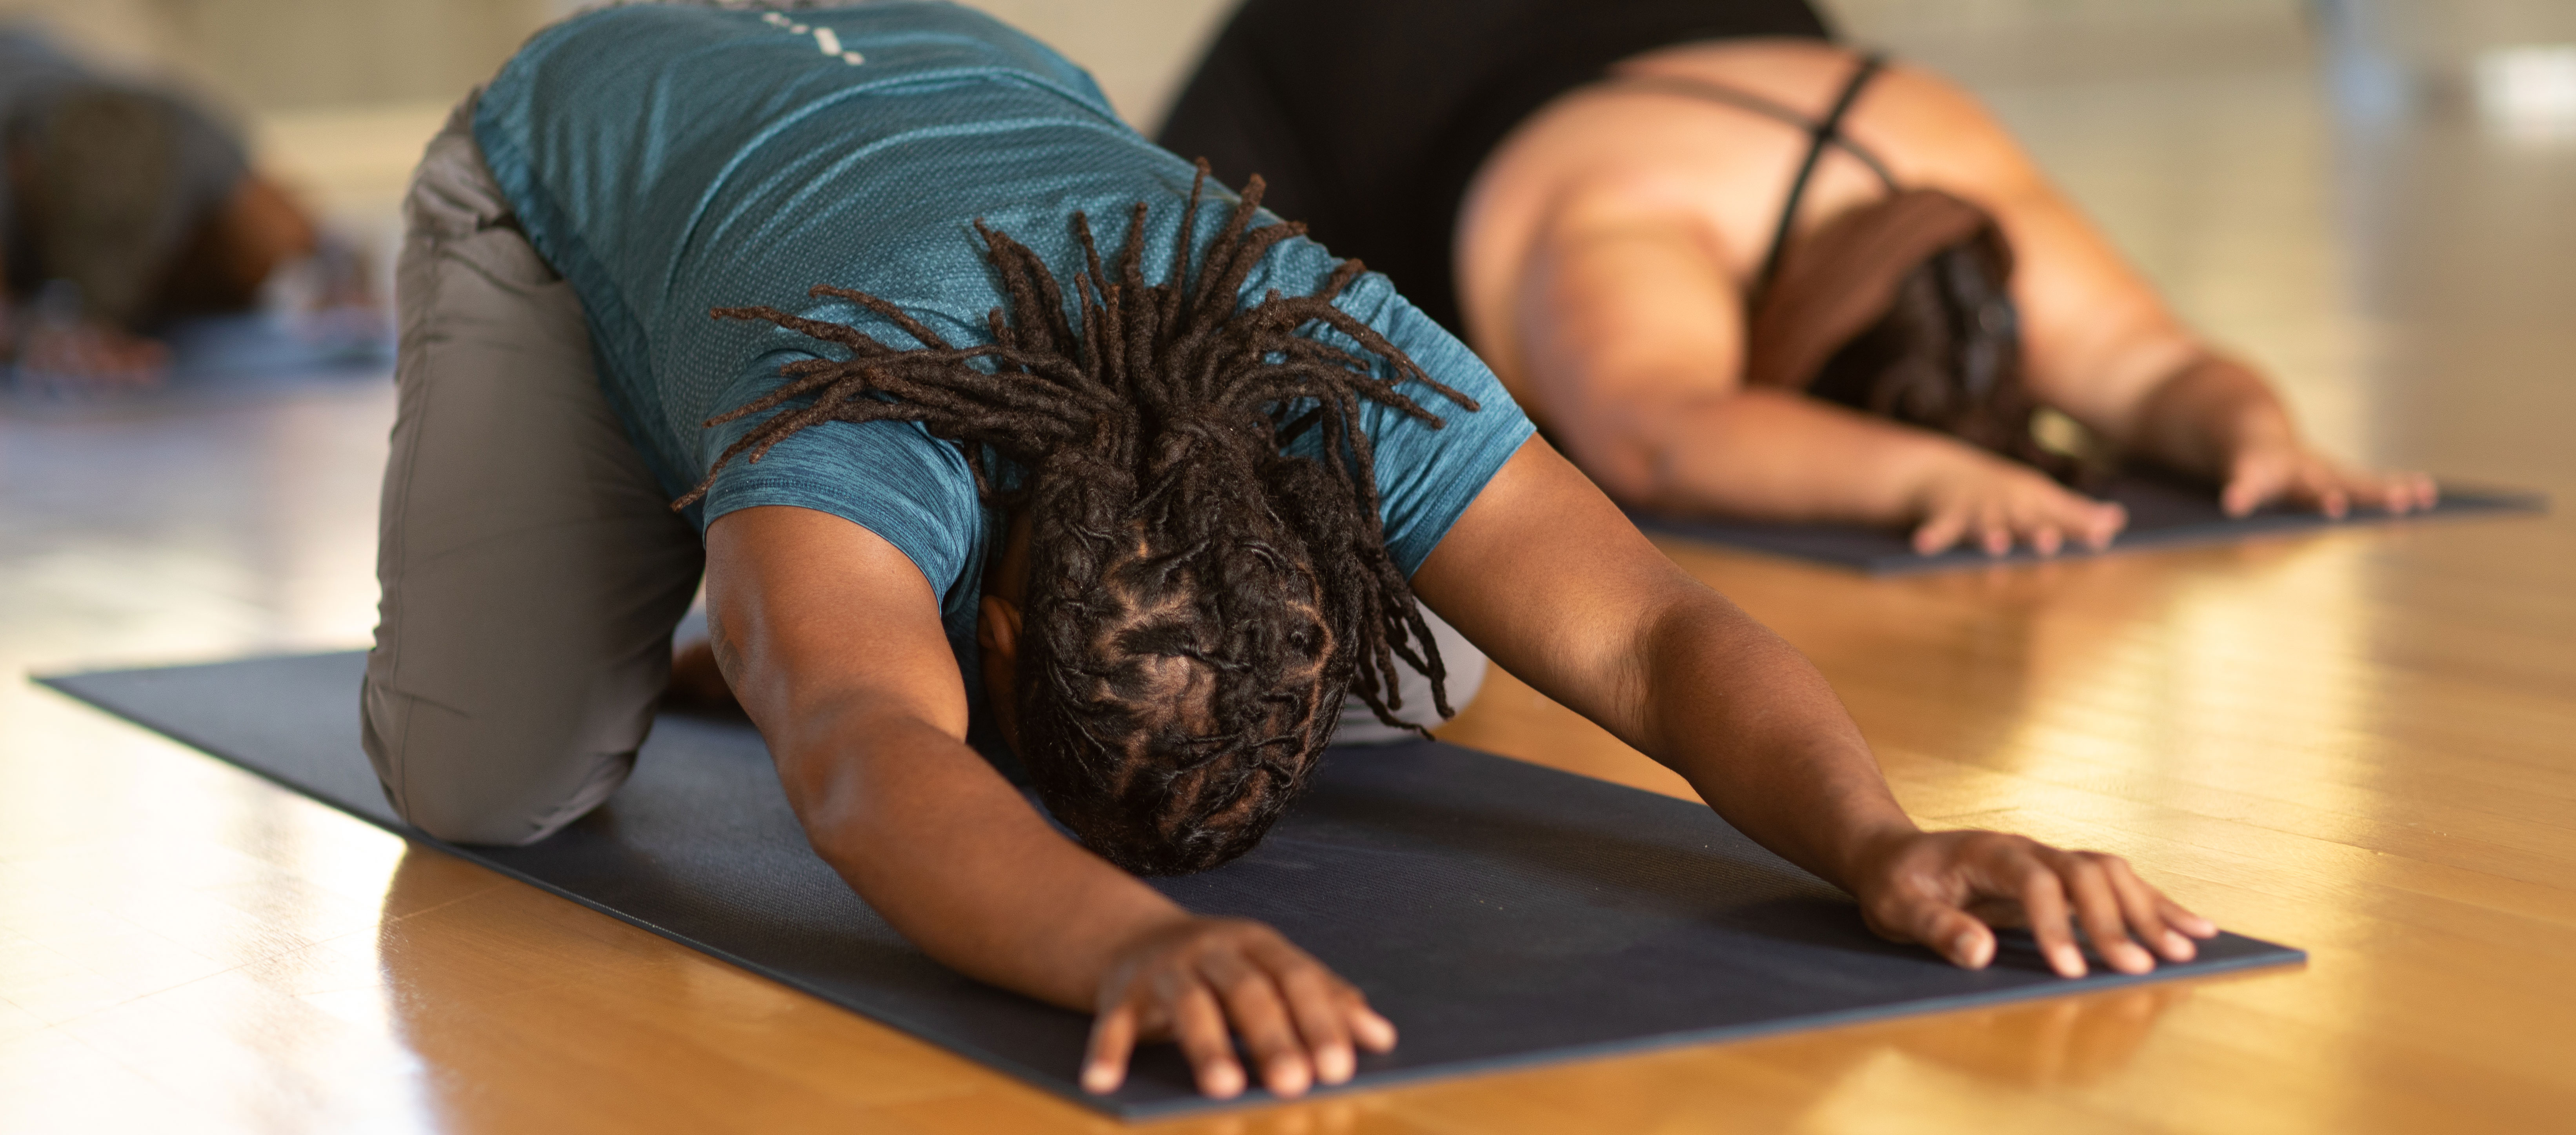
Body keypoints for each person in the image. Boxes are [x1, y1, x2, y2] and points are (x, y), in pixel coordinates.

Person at [368, 1, 2216, 1102]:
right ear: (992, 606)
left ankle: (787, 625)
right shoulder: (845, 431)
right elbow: (865, 762)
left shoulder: (1345, 353)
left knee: (1443, 676)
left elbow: (1650, 630)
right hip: (579, 146)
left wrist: (1887, 838)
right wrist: (1125, 944)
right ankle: (709, 545)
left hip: (956, 58)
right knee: (492, 778)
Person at [1160, 0, 2438, 557]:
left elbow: (2158, 370)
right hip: (1324, 63)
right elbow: (1657, 436)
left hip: (1644, 41)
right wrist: (1927, 477)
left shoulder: (1952, 167)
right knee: (1172, 342)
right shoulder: (1628, 223)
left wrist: (2259, 439)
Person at [0, 26, 356, 389]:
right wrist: (31, 336)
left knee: (253, 257)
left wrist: (343, 284)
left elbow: (330, 246)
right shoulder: (15, 146)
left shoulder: (193, 145)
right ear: (23, 168)